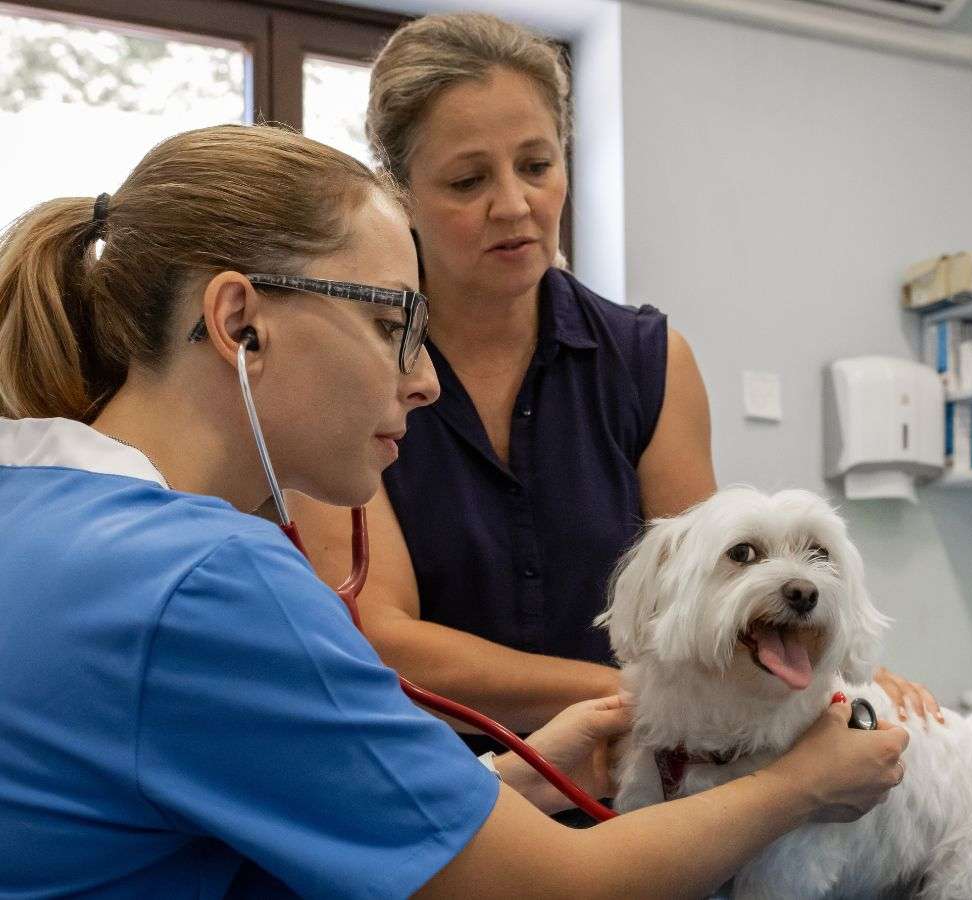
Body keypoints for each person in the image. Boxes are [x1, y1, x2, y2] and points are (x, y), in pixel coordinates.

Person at [0, 123, 909, 897]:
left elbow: (261, 812)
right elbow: (557, 888)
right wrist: (802, 786)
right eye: (394, 325)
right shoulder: (204, 582)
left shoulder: (40, 509)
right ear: (240, 323)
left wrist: (517, 775)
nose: (425, 379)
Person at [289, 13, 943, 745]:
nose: (515, 205)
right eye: (468, 181)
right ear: (400, 192)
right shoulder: (345, 371)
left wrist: (837, 674)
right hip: (440, 781)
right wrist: (631, 695)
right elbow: (382, 641)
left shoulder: (647, 363)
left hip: (635, 778)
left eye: (537, 166)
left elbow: (710, 599)